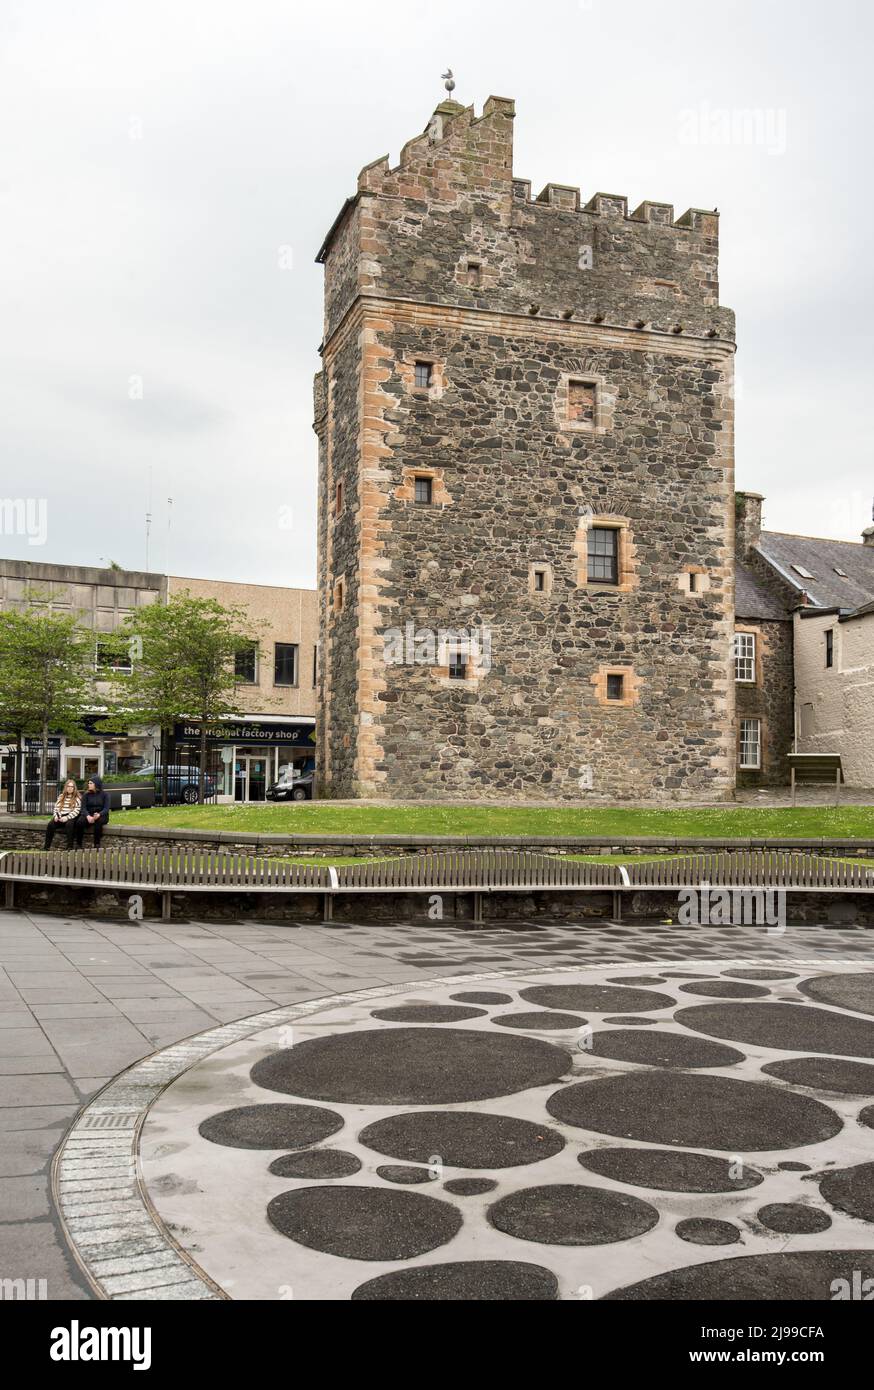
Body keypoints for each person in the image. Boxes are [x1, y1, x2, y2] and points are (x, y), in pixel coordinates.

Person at [44, 780, 81, 850]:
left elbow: (77, 810)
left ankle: (69, 846)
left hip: (70, 816)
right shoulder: (61, 796)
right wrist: (56, 816)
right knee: (50, 825)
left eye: (71, 787)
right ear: (66, 787)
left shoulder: (77, 798)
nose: (70, 788)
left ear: (74, 788)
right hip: (60, 816)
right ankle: (46, 847)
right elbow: (56, 808)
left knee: (69, 825)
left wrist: (67, 817)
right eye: (68, 786)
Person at [75, 776, 110, 848]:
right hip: (88, 814)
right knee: (80, 822)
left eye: (91, 783)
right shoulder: (86, 795)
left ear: (96, 784)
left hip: (101, 815)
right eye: (88, 783)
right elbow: (83, 808)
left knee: (98, 822)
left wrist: (99, 814)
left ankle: (96, 844)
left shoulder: (105, 795)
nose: (89, 785)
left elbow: (106, 809)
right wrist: (88, 816)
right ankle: (79, 844)